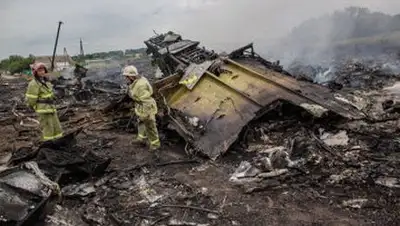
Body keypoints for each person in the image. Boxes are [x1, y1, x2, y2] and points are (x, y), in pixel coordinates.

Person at [123, 65, 161, 151]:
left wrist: (147, 114)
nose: (126, 78)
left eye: (127, 77)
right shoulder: (136, 81)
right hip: (140, 105)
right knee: (141, 122)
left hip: (146, 107)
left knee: (150, 126)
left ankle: (155, 145)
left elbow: (146, 101)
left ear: (131, 76)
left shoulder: (140, 85)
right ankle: (141, 139)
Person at [25, 62, 63, 141]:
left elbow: (51, 94)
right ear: (35, 72)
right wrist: (32, 106)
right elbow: (31, 99)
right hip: (43, 110)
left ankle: (59, 142)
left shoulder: (46, 82)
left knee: (57, 127)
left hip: (51, 108)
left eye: (43, 70)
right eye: (39, 70)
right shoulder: (33, 84)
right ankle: (48, 145)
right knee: (48, 128)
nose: (42, 72)